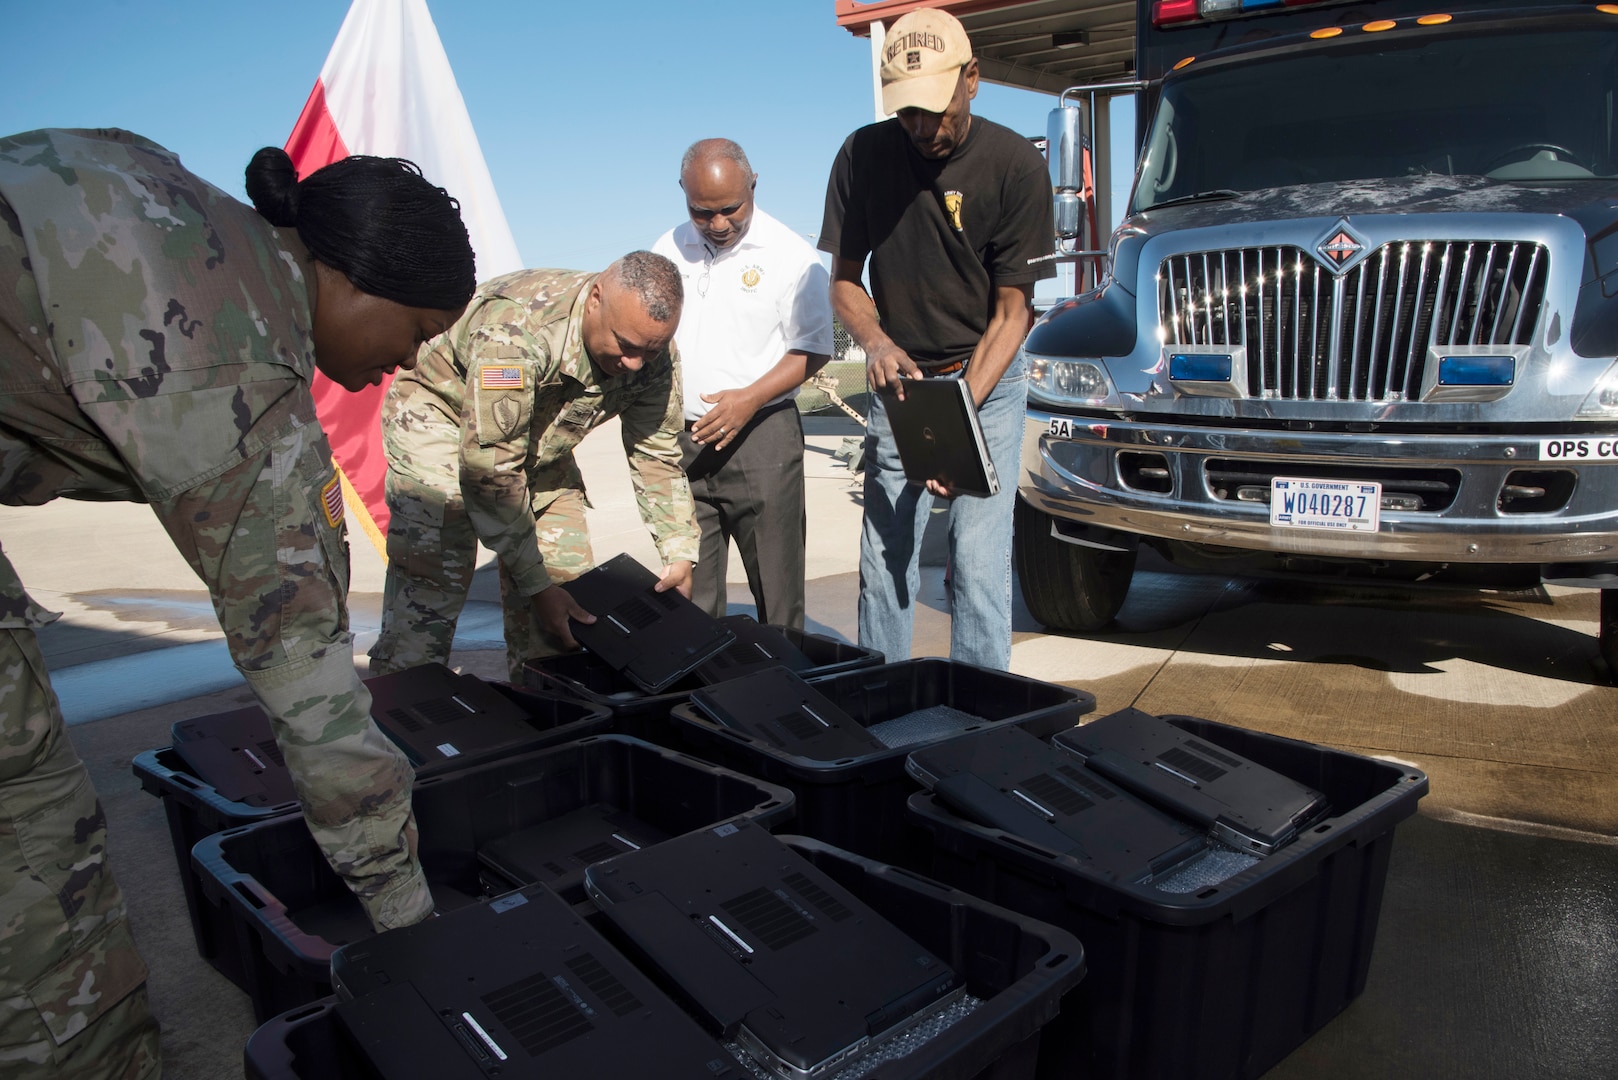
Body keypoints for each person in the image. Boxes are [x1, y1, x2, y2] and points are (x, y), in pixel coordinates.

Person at [0, 127, 475, 1079]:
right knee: (37, 862)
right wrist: (411, 926)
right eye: (417, 333)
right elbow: (313, 700)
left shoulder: (180, 205)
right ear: (348, 281)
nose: (410, 364)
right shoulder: (239, 364)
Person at [818, 8, 1055, 670]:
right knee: (885, 555)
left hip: (990, 378)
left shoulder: (1014, 166)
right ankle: (882, 696)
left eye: (934, 108)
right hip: (902, 386)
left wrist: (958, 420)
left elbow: (1014, 313)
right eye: (906, 112)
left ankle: (984, 714)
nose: (921, 127)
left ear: (971, 79)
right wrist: (876, 341)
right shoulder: (862, 155)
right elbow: (842, 281)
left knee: (977, 564)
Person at [368, 251, 700, 683]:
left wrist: (679, 552)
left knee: (570, 603)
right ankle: (404, 705)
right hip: (443, 425)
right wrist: (536, 583)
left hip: (538, 442)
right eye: (626, 345)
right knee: (435, 579)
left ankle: (547, 712)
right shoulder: (514, 333)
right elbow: (491, 468)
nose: (635, 363)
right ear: (595, 298)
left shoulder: (651, 350)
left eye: (649, 350)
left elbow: (656, 452)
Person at [652, 139, 833, 629]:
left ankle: (780, 696)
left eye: (731, 209)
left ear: (754, 186)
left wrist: (749, 399)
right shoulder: (666, 250)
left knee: (777, 596)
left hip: (762, 440)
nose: (717, 224)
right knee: (691, 599)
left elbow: (813, 348)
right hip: (685, 443)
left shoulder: (792, 257)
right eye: (701, 212)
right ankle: (697, 700)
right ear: (684, 195)